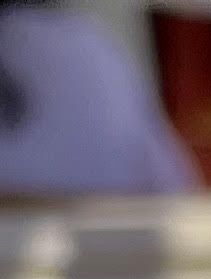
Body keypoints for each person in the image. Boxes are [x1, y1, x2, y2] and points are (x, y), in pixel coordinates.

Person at [0, 1, 199, 198]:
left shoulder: (85, 43)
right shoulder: (88, 42)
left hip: (107, 216)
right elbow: (178, 185)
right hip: (114, 214)